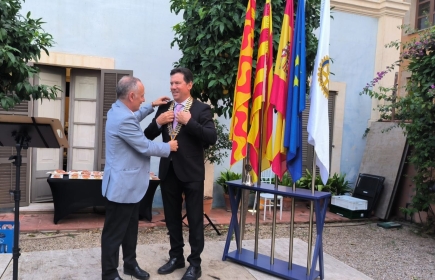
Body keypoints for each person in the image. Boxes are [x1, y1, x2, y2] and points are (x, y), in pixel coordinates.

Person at [101, 76, 178, 280]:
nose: (144, 99)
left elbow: (133, 118)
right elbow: (144, 146)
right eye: (142, 96)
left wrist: (152, 106)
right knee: (114, 233)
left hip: (131, 185)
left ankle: (129, 264)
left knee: (130, 230)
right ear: (131, 95)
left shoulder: (118, 110)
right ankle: (109, 273)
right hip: (122, 186)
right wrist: (168, 147)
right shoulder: (123, 118)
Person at [144, 67, 217, 280]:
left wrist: (189, 122)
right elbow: (148, 135)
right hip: (168, 170)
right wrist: (159, 122)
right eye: (171, 83)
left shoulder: (201, 109)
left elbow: (211, 138)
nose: (173, 87)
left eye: (177, 83)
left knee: (195, 219)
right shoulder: (165, 108)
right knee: (172, 219)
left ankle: (195, 263)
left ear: (189, 84)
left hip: (192, 172)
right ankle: (176, 257)